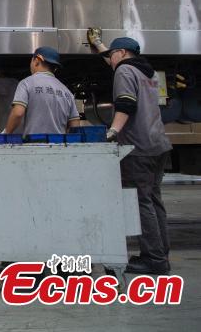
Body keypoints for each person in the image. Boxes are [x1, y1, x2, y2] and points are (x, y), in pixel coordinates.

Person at [89, 33, 172, 275]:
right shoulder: (148, 73)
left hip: (138, 146)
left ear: (122, 53)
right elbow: (115, 62)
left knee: (141, 202)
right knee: (154, 200)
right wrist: (100, 45)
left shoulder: (124, 71)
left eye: (113, 54)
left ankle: (154, 260)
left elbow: (126, 103)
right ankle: (160, 254)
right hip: (158, 144)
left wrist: (112, 132)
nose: (111, 60)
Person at [4, 47, 80, 136]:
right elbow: (75, 124)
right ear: (55, 68)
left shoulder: (26, 83)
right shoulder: (67, 91)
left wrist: (6, 134)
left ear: (36, 60)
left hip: (34, 143)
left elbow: (18, 113)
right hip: (60, 143)